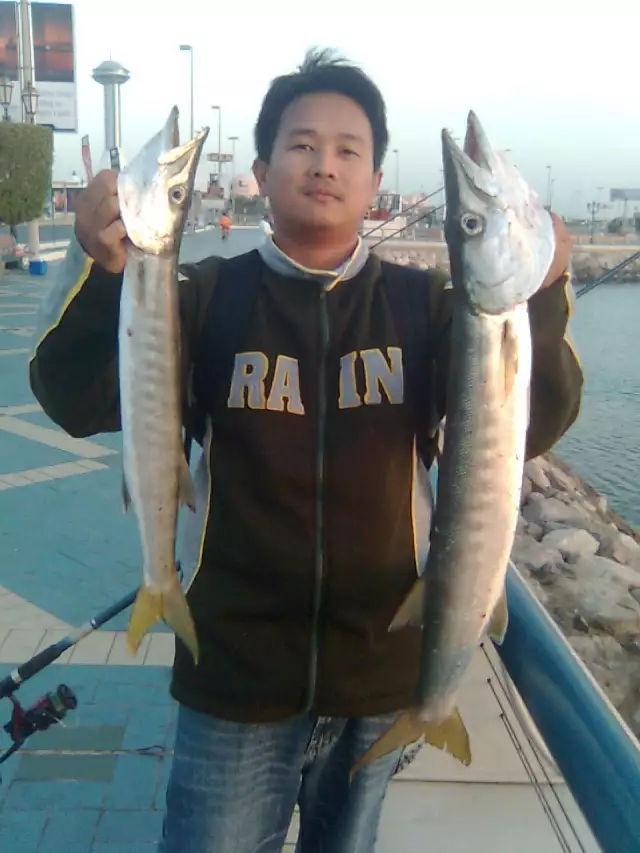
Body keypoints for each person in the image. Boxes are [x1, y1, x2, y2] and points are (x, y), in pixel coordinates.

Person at [29, 48, 583, 853]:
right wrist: (102, 268)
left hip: (381, 671)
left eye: (349, 149)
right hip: (235, 680)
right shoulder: (206, 297)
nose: (324, 163)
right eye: (301, 144)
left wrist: (544, 295)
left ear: (375, 178)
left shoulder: (426, 306)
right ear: (260, 168)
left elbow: (529, 422)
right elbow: (72, 395)